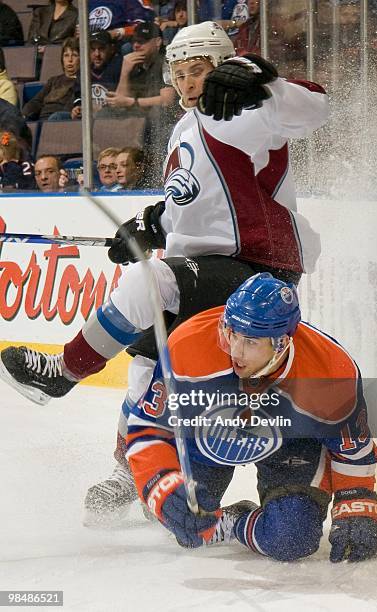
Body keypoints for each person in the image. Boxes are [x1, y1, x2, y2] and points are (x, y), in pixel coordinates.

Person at [0, 22, 329, 518]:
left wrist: (254, 76)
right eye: (181, 71)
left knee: (151, 283)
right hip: (205, 267)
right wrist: (149, 225)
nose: (190, 80)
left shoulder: (246, 104)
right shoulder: (184, 128)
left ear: (221, 66)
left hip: (256, 268)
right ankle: (127, 469)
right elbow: (192, 204)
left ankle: (65, 371)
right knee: (148, 361)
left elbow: (317, 105)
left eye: (200, 69)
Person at [126, 273, 377, 561]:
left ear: (281, 343)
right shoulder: (189, 345)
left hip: (291, 444)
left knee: (291, 540)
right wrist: (159, 484)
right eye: (231, 333)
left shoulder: (329, 371)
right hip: (208, 434)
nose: (235, 351)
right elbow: (147, 426)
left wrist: (356, 503)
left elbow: (352, 448)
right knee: (186, 522)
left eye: (250, 341)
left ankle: (235, 522)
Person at [22, 38, 80, 122]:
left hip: (61, 119)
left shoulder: (82, 82)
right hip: (42, 118)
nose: (70, 60)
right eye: (66, 55)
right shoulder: (53, 80)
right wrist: (24, 114)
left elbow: (70, 108)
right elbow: (37, 101)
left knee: (56, 117)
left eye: (74, 55)